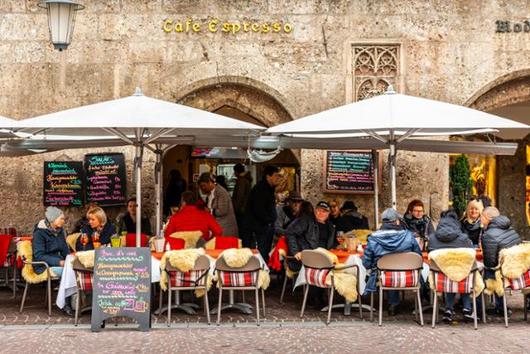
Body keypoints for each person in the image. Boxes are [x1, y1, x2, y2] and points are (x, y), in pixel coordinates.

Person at [362, 208, 421, 315]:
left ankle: (393, 303)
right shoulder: (408, 235)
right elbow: (418, 256)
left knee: (386, 270)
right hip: (408, 276)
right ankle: (418, 303)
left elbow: (366, 262)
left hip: (384, 277)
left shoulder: (373, 238)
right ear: (397, 221)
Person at [428, 209, 474, 322]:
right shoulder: (464, 239)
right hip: (462, 276)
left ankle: (448, 308)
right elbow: (471, 254)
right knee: (462, 272)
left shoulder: (432, 239)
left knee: (448, 273)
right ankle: (467, 308)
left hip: (441, 278)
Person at [481, 206, 521, 316]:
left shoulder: (488, 235)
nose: (480, 220)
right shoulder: (509, 228)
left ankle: (479, 310)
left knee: (482, 273)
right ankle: (500, 306)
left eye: (481, 217)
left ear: (487, 218)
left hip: (504, 274)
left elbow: (490, 263)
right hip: (517, 270)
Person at [32, 207, 72, 316]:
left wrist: (71, 259)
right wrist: (59, 262)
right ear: (52, 219)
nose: (64, 221)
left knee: (76, 268)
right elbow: (39, 255)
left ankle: (77, 302)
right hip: (42, 266)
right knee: (68, 271)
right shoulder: (39, 233)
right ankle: (66, 304)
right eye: (61, 219)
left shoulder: (60, 232)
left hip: (58, 263)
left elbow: (65, 250)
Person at [242, 165, 281, 261]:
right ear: (268, 176)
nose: (278, 178)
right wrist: (268, 221)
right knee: (261, 253)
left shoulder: (269, 188)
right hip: (259, 227)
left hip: (264, 226)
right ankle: (261, 272)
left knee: (264, 251)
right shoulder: (261, 189)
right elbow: (258, 209)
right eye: (276, 175)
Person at [285, 201, 337, 272]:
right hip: (308, 256)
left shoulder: (330, 226)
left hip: (324, 257)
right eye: (319, 210)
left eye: (324, 211)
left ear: (328, 213)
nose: (321, 213)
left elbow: (333, 243)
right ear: (315, 211)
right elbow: (290, 232)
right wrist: (295, 251)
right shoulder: (306, 220)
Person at [197, 172, 238, 237]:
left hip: (225, 229)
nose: (203, 188)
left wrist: (210, 211)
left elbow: (223, 211)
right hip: (218, 228)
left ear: (210, 183)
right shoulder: (210, 193)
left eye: (204, 185)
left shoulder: (221, 192)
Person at [232, 163, 252, 231]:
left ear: (237, 171)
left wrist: (236, 208)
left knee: (242, 229)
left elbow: (240, 196)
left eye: (234, 171)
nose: (234, 173)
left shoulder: (242, 181)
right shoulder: (245, 179)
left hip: (241, 210)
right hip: (245, 208)